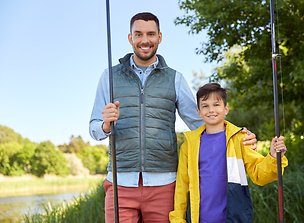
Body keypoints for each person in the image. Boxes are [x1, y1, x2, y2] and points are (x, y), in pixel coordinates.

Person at [89, 12, 257, 223]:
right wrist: (105, 124)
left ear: (159, 37)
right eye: (138, 34)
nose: (145, 40)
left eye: (151, 34)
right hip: (120, 183)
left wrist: (238, 135)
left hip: (165, 184)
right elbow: (94, 129)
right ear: (130, 38)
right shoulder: (109, 77)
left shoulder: (175, 79)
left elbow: (204, 122)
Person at [169, 83, 288, 223]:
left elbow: (259, 175)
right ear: (199, 112)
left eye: (216, 104)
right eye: (205, 106)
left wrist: (274, 157)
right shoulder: (188, 145)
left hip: (233, 218)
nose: (211, 110)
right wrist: (177, 219)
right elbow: (182, 188)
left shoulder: (240, 139)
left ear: (226, 109)